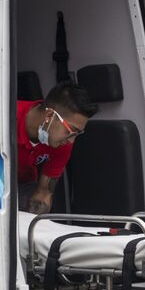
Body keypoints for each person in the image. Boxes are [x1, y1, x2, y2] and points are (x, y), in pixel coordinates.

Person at [17, 82, 99, 214]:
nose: (71, 140)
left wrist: (33, 229)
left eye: (77, 133)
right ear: (49, 116)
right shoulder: (3, 119)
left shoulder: (62, 143)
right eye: (70, 131)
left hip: (22, 185)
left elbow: (43, 194)